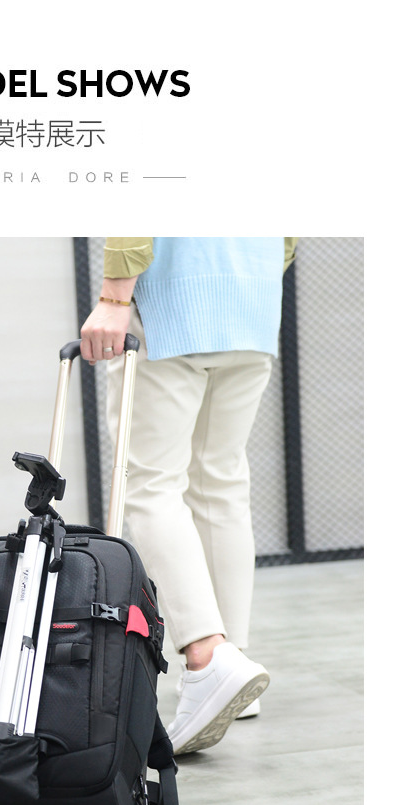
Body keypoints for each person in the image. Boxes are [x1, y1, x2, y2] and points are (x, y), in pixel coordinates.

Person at [80, 237, 297, 755]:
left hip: (173, 305)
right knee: (221, 484)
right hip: (253, 303)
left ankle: (207, 658)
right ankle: (232, 666)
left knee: (152, 485)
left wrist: (113, 298)